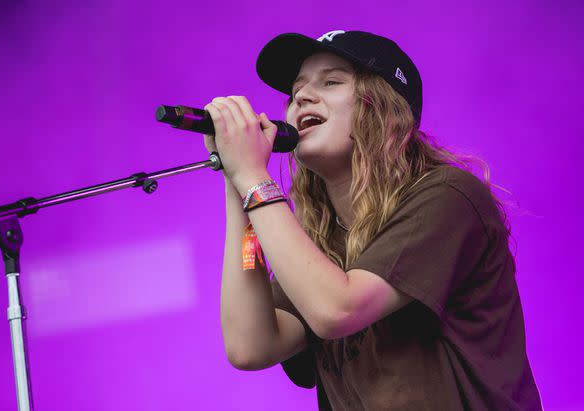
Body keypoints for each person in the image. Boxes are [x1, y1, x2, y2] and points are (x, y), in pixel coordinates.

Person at [203, 30, 542, 410]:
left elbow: (338, 309)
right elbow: (250, 344)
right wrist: (238, 186)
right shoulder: (318, 243)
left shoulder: (447, 197)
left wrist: (254, 180)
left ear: (381, 107)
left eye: (330, 82)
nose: (300, 97)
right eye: (294, 92)